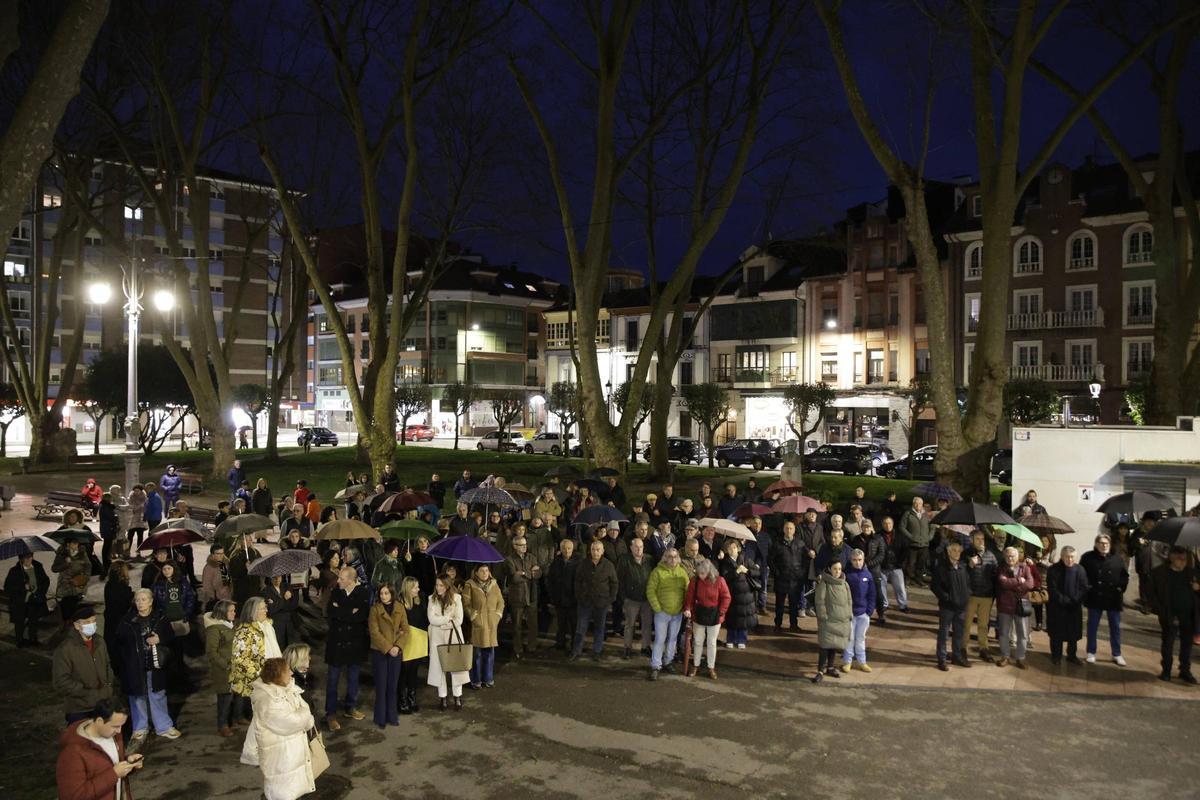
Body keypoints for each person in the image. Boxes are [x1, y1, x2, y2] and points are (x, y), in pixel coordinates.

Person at [115, 589, 181, 743]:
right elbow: (119, 643)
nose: (140, 603)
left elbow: (172, 638)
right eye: (137, 600)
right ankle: (140, 728)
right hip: (135, 666)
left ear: (151, 601)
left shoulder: (160, 618)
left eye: (143, 599)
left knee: (158, 695)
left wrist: (160, 639)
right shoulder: (127, 620)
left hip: (155, 665)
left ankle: (163, 726)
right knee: (137, 697)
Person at [251, 657, 316, 800]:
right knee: (282, 793)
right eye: (287, 671)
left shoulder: (286, 689)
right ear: (277, 675)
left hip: (289, 756)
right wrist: (305, 715)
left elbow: (303, 710)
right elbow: (292, 722)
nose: (292, 673)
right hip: (281, 760)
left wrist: (304, 715)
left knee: (292, 790)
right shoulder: (267, 701)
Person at [55, 698, 142, 800]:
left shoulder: (113, 734)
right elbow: (73, 796)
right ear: (100, 721)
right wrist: (114, 774)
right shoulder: (72, 753)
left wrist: (128, 762)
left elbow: (107, 764)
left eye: (121, 726)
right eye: (116, 726)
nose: (119, 731)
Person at [52, 605, 116, 723]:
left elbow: (107, 665)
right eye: (87, 622)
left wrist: (108, 687)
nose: (91, 625)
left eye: (93, 621)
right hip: (79, 708)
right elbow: (60, 681)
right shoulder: (65, 649)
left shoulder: (100, 642)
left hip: (102, 704)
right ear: (77, 625)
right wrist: (86, 693)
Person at [230, 596, 283, 734]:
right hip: (259, 680)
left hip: (272, 676)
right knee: (261, 719)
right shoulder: (245, 631)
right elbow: (240, 659)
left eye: (265, 607)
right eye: (262, 608)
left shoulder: (268, 626)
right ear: (253, 611)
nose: (266, 610)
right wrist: (260, 675)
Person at [325, 566, 369, 729]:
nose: (338, 581)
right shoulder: (335, 591)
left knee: (353, 679)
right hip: (336, 643)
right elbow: (330, 612)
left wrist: (341, 611)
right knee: (332, 681)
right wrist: (350, 612)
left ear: (351, 580)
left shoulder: (363, 593)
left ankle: (350, 707)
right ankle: (330, 714)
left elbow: (362, 616)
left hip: (355, 643)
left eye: (342, 579)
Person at [1149, 545, 1199, 683]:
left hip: (1189, 616)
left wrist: (1198, 588)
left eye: (1184, 559)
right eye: (1179, 558)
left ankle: (1185, 671)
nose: (1182, 561)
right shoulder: (1160, 573)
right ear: (1171, 558)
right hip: (1169, 614)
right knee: (1168, 644)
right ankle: (1166, 671)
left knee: (1187, 645)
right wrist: (1160, 610)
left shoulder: (1192, 573)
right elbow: (1152, 594)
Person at [1080, 533, 1129, 667]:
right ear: (1096, 544)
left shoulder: (1117, 558)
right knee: (1092, 626)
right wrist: (1087, 588)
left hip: (1113, 597)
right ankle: (1091, 652)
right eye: (1101, 543)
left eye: (1106, 543)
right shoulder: (1087, 558)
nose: (1104, 546)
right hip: (1095, 596)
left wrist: (1120, 588)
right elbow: (1082, 575)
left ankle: (1117, 653)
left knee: (1115, 627)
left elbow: (1124, 576)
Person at [368, 584, 409, 728]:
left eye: (386, 593)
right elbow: (374, 632)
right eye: (381, 593)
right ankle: (380, 718)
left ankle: (392, 716)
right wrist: (389, 647)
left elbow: (406, 629)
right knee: (381, 685)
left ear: (392, 594)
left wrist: (397, 647)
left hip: (396, 652)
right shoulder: (375, 610)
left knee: (392, 685)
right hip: (380, 652)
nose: (383, 596)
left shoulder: (400, 608)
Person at [570, 540, 619, 662]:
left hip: (601, 602)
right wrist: (579, 596)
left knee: (600, 628)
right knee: (581, 628)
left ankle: (597, 651)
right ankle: (576, 651)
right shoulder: (583, 564)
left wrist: (610, 598)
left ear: (602, 551)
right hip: (585, 602)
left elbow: (614, 583)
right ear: (590, 550)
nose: (595, 552)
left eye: (598, 549)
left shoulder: (608, 565)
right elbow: (577, 581)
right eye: (593, 549)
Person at [645, 547, 689, 681]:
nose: (673, 559)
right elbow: (650, 590)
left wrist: (685, 607)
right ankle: (655, 665)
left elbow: (687, 591)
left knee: (672, 639)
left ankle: (668, 661)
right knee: (660, 639)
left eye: (675, 557)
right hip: (662, 613)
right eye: (670, 556)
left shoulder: (682, 573)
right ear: (665, 557)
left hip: (677, 613)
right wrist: (657, 608)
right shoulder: (657, 572)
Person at [684, 558, 731, 679]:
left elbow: (726, 597)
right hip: (699, 613)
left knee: (711, 642)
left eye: (703, 573)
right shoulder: (695, 581)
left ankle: (711, 667)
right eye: (698, 573)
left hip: (715, 614)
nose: (701, 576)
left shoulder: (720, 581)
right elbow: (689, 596)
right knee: (698, 641)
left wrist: (721, 611)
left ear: (709, 571)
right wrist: (688, 608)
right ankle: (696, 665)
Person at [427, 575, 469, 710]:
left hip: (453, 637)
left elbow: (459, 620)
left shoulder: (457, 598)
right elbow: (431, 619)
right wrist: (446, 618)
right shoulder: (431, 599)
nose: (438, 588)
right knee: (439, 668)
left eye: (441, 585)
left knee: (456, 667)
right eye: (437, 585)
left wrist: (444, 624)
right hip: (437, 639)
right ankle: (443, 697)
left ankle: (457, 696)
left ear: (447, 586)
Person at [1046, 546, 1090, 665]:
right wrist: (1064, 600)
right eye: (1067, 557)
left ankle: (1072, 655)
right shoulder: (1053, 570)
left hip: (1074, 608)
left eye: (1072, 557)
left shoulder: (1080, 570)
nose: (1070, 560)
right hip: (1057, 607)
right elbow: (1052, 588)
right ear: (1062, 556)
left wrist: (1075, 600)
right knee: (1056, 634)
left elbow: (1084, 587)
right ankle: (1056, 656)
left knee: (1073, 634)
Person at [931, 541, 971, 671]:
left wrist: (967, 595)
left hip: (961, 607)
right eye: (954, 550)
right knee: (944, 633)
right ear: (948, 552)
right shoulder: (941, 567)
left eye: (959, 551)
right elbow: (935, 586)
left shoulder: (963, 566)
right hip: (947, 607)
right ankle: (942, 659)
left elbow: (968, 583)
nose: (957, 553)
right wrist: (946, 597)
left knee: (959, 633)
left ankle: (957, 656)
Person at [462, 564, 504, 688]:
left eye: (486, 570)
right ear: (476, 573)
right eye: (482, 571)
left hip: (491, 623)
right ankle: (475, 680)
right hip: (478, 624)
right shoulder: (469, 585)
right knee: (476, 654)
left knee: (490, 652)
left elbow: (501, 601)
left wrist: (498, 614)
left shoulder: (494, 584)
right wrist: (473, 616)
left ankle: (488, 678)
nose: (485, 573)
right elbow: (466, 604)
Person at [995, 547, 1036, 669]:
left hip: (1021, 606)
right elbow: (1003, 583)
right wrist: (1019, 580)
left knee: (1023, 634)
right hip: (1005, 606)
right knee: (1004, 633)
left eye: (1012, 556)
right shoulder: (1001, 569)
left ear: (1018, 557)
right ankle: (1005, 656)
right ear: (1004, 557)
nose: (1010, 558)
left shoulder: (1025, 568)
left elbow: (1030, 584)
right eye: (1007, 556)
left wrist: (1013, 584)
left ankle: (1020, 658)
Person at [811, 561, 852, 683]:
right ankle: (820, 670)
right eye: (835, 569)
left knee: (834, 644)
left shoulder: (845, 584)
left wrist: (849, 614)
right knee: (825, 646)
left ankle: (830, 667)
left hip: (841, 621)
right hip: (828, 621)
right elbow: (820, 601)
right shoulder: (824, 583)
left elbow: (849, 601)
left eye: (839, 569)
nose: (838, 572)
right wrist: (823, 617)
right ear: (829, 569)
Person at [204, 600, 238, 737]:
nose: (234, 613)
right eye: (231, 611)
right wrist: (226, 664)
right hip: (223, 670)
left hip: (233, 667)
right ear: (223, 612)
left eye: (234, 610)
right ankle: (223, 725)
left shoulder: (230, 625)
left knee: (231, 696)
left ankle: (231, 721)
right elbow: (211, 652)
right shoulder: (214, 629)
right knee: (225, 697)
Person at [717, 539, 758, 650]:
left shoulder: (745, 558)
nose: (732, 550)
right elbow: (724, 577)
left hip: (746, 595)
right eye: (729, 548)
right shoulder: (725, 562)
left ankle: (742, 639)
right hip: (732, 593)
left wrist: (748, 571)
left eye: (734, 548)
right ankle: (730, 639)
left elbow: (757, 572)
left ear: (738, 548)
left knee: (743, 618)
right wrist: (736, 572)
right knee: (731, 618)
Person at [503, 537, 540, 659]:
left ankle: (532, 647)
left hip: (531, 595)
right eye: (521, 545)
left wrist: (523, 573)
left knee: (533, 624)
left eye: (525, 544)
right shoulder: (509, 559)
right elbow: (514, 578)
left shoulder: (531, 557)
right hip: (517, 596)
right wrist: (529, 573)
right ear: (514, 546)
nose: (524, 546)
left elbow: (538, 574)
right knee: (517, 625)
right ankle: (517, 648)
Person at [965, 530, 998, 662]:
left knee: (983, 625)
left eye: (982, 539)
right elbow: (960, 572)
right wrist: (969, 565)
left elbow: (996, 574)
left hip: (986, 596)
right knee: (966, 624)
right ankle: (962, 648)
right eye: (977, 539)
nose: (980, 541)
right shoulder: (965, 554)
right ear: (971, 540)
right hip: (970, 595)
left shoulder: (990, 555)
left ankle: (983, 649)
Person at [841, 548, 876, 672]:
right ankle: (847, 661)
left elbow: (872, 594)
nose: (858, 562)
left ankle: (862, 661)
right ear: (851, 560)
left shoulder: (868, 575)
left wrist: (869, 611)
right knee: (849, 638)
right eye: (855, 560)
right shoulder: (846, 575)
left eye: (860, 560)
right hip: (850, 613)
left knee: (860, 638)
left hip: (863, 613)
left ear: (863, 560)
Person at [6, 549, 49, 646]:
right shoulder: (15, 571)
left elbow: (45, 580)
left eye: (31, 557)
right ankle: (19, 640)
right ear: (21, 559)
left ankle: (33, 639)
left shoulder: (37, 566)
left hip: (34, 600)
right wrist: (22, 587)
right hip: (20, 602)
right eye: (27, 558)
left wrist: (40, 592)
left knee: (33, 621)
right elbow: (8, 588)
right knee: (19, 622)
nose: (30, 560)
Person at [398, 577, 427, 714]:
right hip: (406, 641)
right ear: (408, 588)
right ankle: (402, 701)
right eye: (415, 587)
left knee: (414, 671)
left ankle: (412, 698)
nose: (418, 589)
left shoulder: (420, 601)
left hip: (419, 640)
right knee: (404, 672)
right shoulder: (400, 603)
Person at [852, 519, 888, 624]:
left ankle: (881, 614)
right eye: (864, 526)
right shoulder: (856, 539)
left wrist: (869, 564)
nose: (866, 528)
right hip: (860, 569)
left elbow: (881, 554)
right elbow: (853, 552)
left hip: (874, 570)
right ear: (861, 527)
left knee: (878, 592)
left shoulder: (878, 538)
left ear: (871, 527)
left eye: (868, 527)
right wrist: (861, 564)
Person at [548, 539, 580, 651]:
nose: (566, 551)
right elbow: (550, 580)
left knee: (574, 625)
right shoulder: (555, 562)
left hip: (573, 600)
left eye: (569, 548)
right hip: (560, 599)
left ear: (572, 549)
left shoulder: (579, 563)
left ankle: (574, 646)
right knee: (561, 624)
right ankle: (560, 643)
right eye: (564, 548)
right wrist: (552, 596)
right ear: (560, 549)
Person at [53, 539, 93, 627]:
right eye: (74, 543)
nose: (76, 545)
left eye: (77, 543)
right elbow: (54, 568)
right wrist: (65, 564)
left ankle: (71, 623)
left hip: (77, 585)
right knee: (65, 605)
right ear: (68, 544)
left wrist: (85, 578)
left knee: (74, 604)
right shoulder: (62, 554)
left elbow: (88, 566)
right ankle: (65, 623)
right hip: (65, 585)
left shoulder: (82, 553)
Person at [899, 497, 932, 585]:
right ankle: (908, 578)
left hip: (924, 543)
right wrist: (911, 536)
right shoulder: (908, 514)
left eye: (920, 503)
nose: (918, 505)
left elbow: (932, 526)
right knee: (910, 563)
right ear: (913, 504)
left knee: (921, 563)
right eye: (916, 503)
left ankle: (919, 578)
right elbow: (902, 527)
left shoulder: (926, 515)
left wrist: (929, 537)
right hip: (912, 543)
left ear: (922, 504)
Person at [263, 575, 300, 650]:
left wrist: (276, 603)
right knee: (279, 645)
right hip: (277, 622)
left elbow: (293, 604)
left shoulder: (287, 587)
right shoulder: (266, 591)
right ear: (270, 578)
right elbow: (270, 610)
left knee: (291, 645)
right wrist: (283, 600)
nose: (277, 579)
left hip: (289, 621)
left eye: (279, 577)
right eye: (274, 577)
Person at [201, 544, 233, 611]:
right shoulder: (209, 568)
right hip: (216, 601)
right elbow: (207, 587)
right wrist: (214, 597)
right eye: (218, 553)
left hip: (226, 599)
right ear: (213, 554)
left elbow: (227, 582)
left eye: (222, 553)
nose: (221, 555)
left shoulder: (225, 564)